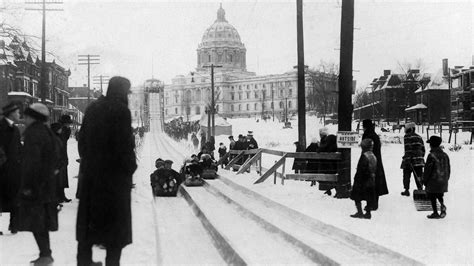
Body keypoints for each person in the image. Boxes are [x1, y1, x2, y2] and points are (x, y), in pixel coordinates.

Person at [76, 76, 137, 266]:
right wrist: (129, 168)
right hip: (114, 182)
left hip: (92, 178)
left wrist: (90, 163)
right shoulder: (121, 111)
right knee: (114, 234)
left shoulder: (93, 108)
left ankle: (84, 263)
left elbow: (82, 142)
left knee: (88, 228)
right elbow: (124, 147)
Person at [17, 103, 59, 265]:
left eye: (27, 116)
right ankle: (45, 254)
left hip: (35, 186)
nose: (24, 119)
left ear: (34, 117)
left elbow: (31, 162)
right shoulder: (46, 132)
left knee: (37, 222)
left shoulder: (33, 134)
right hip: (46, 184)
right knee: (41, 222)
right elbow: (57, 155)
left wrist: (28, 186)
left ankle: (45, 255)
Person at [0, 102, 22, 235]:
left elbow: (18, 148)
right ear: (12, 113)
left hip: (14, 169)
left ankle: (14, 225)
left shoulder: (15, 128)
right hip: (2, 169)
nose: (19, 114)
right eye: (18, 112)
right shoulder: (1, 127)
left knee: (15, 196)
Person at [361, 119, 388, 210]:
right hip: (376, 162)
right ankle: (374, 203)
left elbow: (366, 150)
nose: (362, 128)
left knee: (369, 183)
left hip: (369, 162)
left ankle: (371, 204)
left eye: (363, 126)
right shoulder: (374, 135)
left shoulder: (368, 135)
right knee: (375, 182)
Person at [423, 136, 450, 219]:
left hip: (433, 180)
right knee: (439, 194)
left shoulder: (431, 156)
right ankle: (442, 205)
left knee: (432, 195)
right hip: (443, 180)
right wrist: (446, 179)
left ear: (431, 145)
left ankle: (435, 212)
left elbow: (427, 170)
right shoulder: (445, 155)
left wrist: (425, 181)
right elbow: (448, 169)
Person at [350, 139, 377, 219]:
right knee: (369, 196)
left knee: (357, 196)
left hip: (362, 180)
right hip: (371, 179)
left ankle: (360, 212)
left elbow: (361, 169)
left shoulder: (364, 156)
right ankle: (368, 212)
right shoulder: (373, 156)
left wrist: (356, 178)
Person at [400, 122, 425, 196]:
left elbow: (408, 149)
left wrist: (408, 159)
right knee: (419, 175)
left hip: (409, 159)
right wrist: (420, 157)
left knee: (406, 175)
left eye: (406, 129)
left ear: (410, 129)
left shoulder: (407, 137)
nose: (405, 130)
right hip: (419, 160)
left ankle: (406, 190)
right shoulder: (419, 137)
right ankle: (420, 189)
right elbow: (423, 149)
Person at [57, 114, 73, 203]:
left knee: (63, 177)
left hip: (63, 154)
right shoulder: (59, 129)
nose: (69, 125)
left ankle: (62, 195)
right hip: (59, 155)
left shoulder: (64, 130)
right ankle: (59, 195)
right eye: (68, 124)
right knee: (60, 177)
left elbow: (65, 139)